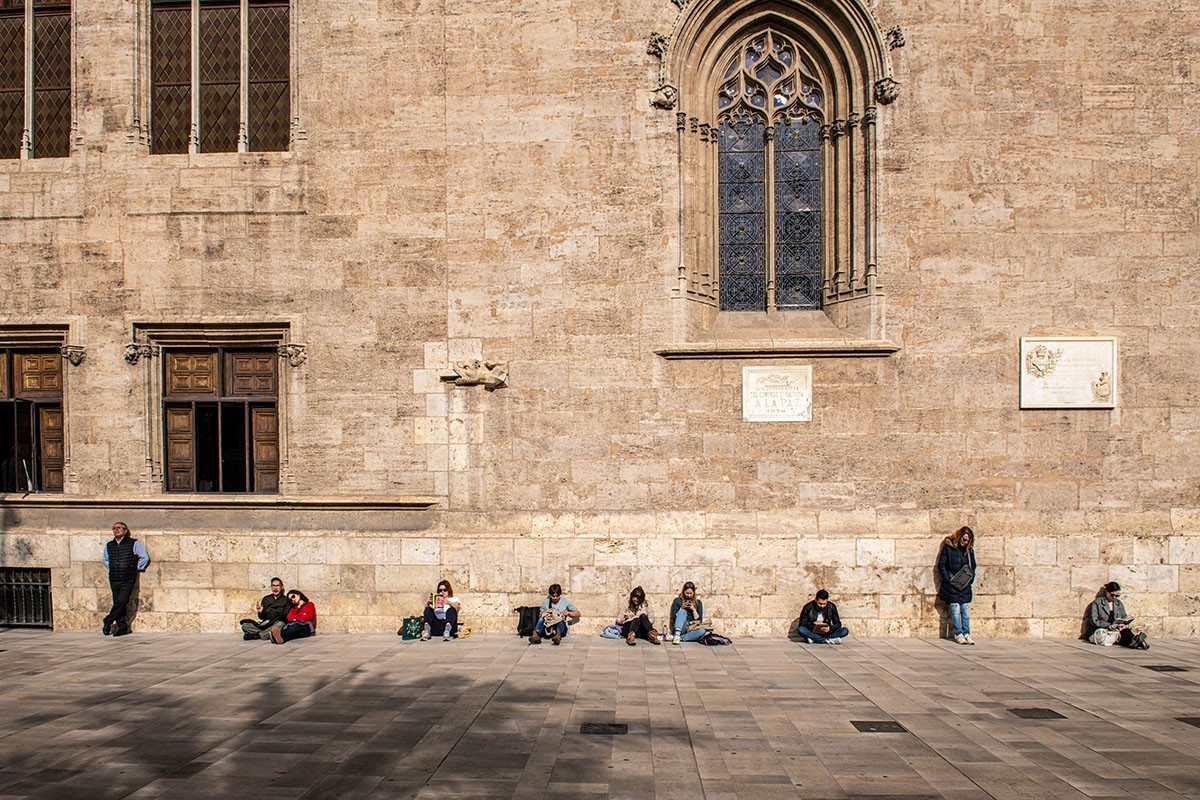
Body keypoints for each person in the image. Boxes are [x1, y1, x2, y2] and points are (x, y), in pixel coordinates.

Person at [101, 522, 149, 637]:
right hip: (114, 578)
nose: (116, 530)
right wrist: (112, 568)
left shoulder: (134, 543)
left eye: (119, 528)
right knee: (117, 602)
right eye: (114, 528)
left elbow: (144, 557)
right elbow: (105, 559)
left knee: (122, 601)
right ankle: (122, 627)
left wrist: (136, 568)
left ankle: (108, 620)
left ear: (125, 530)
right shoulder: (109, 545)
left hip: (127, 578)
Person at [937, 525, 977, 645]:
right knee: (955, 609)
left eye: (968, 540)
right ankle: (959, 634)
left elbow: (973, 566)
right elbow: (942, 565)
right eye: (964, 539)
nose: (966, 542)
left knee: (965, 610)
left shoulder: (969, 551)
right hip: (952, 584)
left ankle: (967, 633)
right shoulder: (949, 548)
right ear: (959, 537)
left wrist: (970, 580)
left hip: (964, 585)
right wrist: (948, 579)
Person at [1086, 582, 1148, 649]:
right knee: (1116, 636)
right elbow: (1094, 621)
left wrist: (1124, 624)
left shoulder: (1118, 603)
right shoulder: (1097, 603)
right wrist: (1109, 625)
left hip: (1116, 629)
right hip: (1103, 628)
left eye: (1117, 595)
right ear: (1106, 592)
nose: (1114, 597)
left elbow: (1124, 616)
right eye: (1112, 595)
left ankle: (1135, 641)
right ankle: (1136, 643)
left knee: (1126, 632)